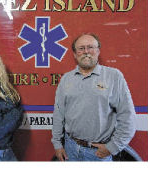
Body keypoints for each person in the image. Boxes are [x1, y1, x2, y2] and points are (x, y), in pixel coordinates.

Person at [51, 33, 136, 161]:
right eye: (81, 48)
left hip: (98, 153)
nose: (86, 52)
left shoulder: (114, 76)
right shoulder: (66, 79)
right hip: (71, 148)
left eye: (90, 47)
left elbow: (127, 116)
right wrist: (57, 144)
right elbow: (58, 114)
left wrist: (113, 147)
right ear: (75, 54)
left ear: (98, 51)